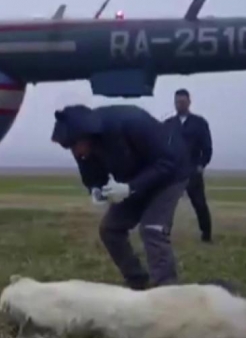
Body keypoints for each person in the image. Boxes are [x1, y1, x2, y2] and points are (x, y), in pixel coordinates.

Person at [51, 104, 191, 290]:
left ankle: (166, 288)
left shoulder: (131, 122)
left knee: (152, 228)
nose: (75, 153)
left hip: (170, 176)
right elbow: (92, 176)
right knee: (110, 229)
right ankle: (137, 282)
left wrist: (130, 188)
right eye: (69, 148)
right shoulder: (84, 147)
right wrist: (96, 190)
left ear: (86, 134)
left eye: (75, 146)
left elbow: (167, 162)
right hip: (133, 181)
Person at [165, 89, 214, 243]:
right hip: (173, 171)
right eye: (177, 102)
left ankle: (206, 236)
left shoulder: (199, 123)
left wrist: (201, 165)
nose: (180, 104)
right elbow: (162, 147)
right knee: (167, 204)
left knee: (199, 204)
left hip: (192, 170)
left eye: (183, 102)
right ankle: (164, 234)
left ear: (189, 102)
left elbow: (207, 147)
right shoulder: (168, 124)